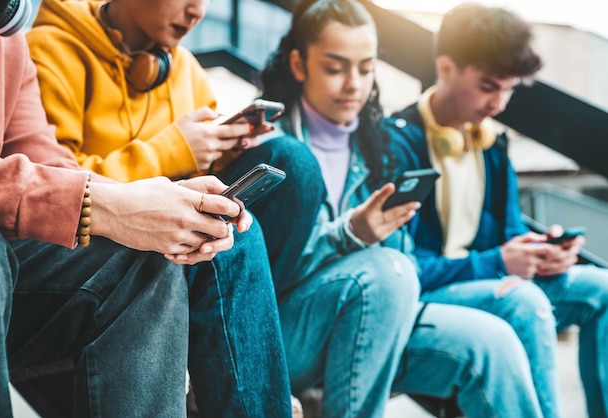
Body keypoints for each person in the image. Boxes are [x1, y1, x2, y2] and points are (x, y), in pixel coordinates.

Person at [0, 0, 293, 416]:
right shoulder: (51, 46)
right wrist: (143, 177)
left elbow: (50, 166)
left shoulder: (7, 40)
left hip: (21, 263)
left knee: (184, 245)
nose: (198, 11)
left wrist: (168, 202)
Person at [258, 0, 545, 417]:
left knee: (492, 342)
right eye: (335, 68)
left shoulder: (381, 146)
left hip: (377, 316)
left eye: (366, 67)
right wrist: (351, 236)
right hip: (287, 332)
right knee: (386, 271)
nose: (353, 84)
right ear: (299, 65)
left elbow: (407, 262)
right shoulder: (269, 146)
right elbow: (260, 276)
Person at [391, 4, 608, 418]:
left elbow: (509, 237)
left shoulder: (492, 145)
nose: (500, 103)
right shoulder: (395, 144)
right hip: (432, 296)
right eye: (489, 86)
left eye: (508, 89)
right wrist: (498, 262)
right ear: (446, 67)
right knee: (525, 304)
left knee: (602, 288)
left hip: (494, 283)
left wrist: (542, 254)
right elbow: (402, 268)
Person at [25, 0, 323, 288]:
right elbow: (53, 187)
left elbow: (198, 177)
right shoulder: (50, 50)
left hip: (173, 230)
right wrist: (173, 151)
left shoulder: (187, 71)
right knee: (231, 235)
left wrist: (222, 151)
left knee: (291, 160)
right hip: (92, 235)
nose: (198, 11)